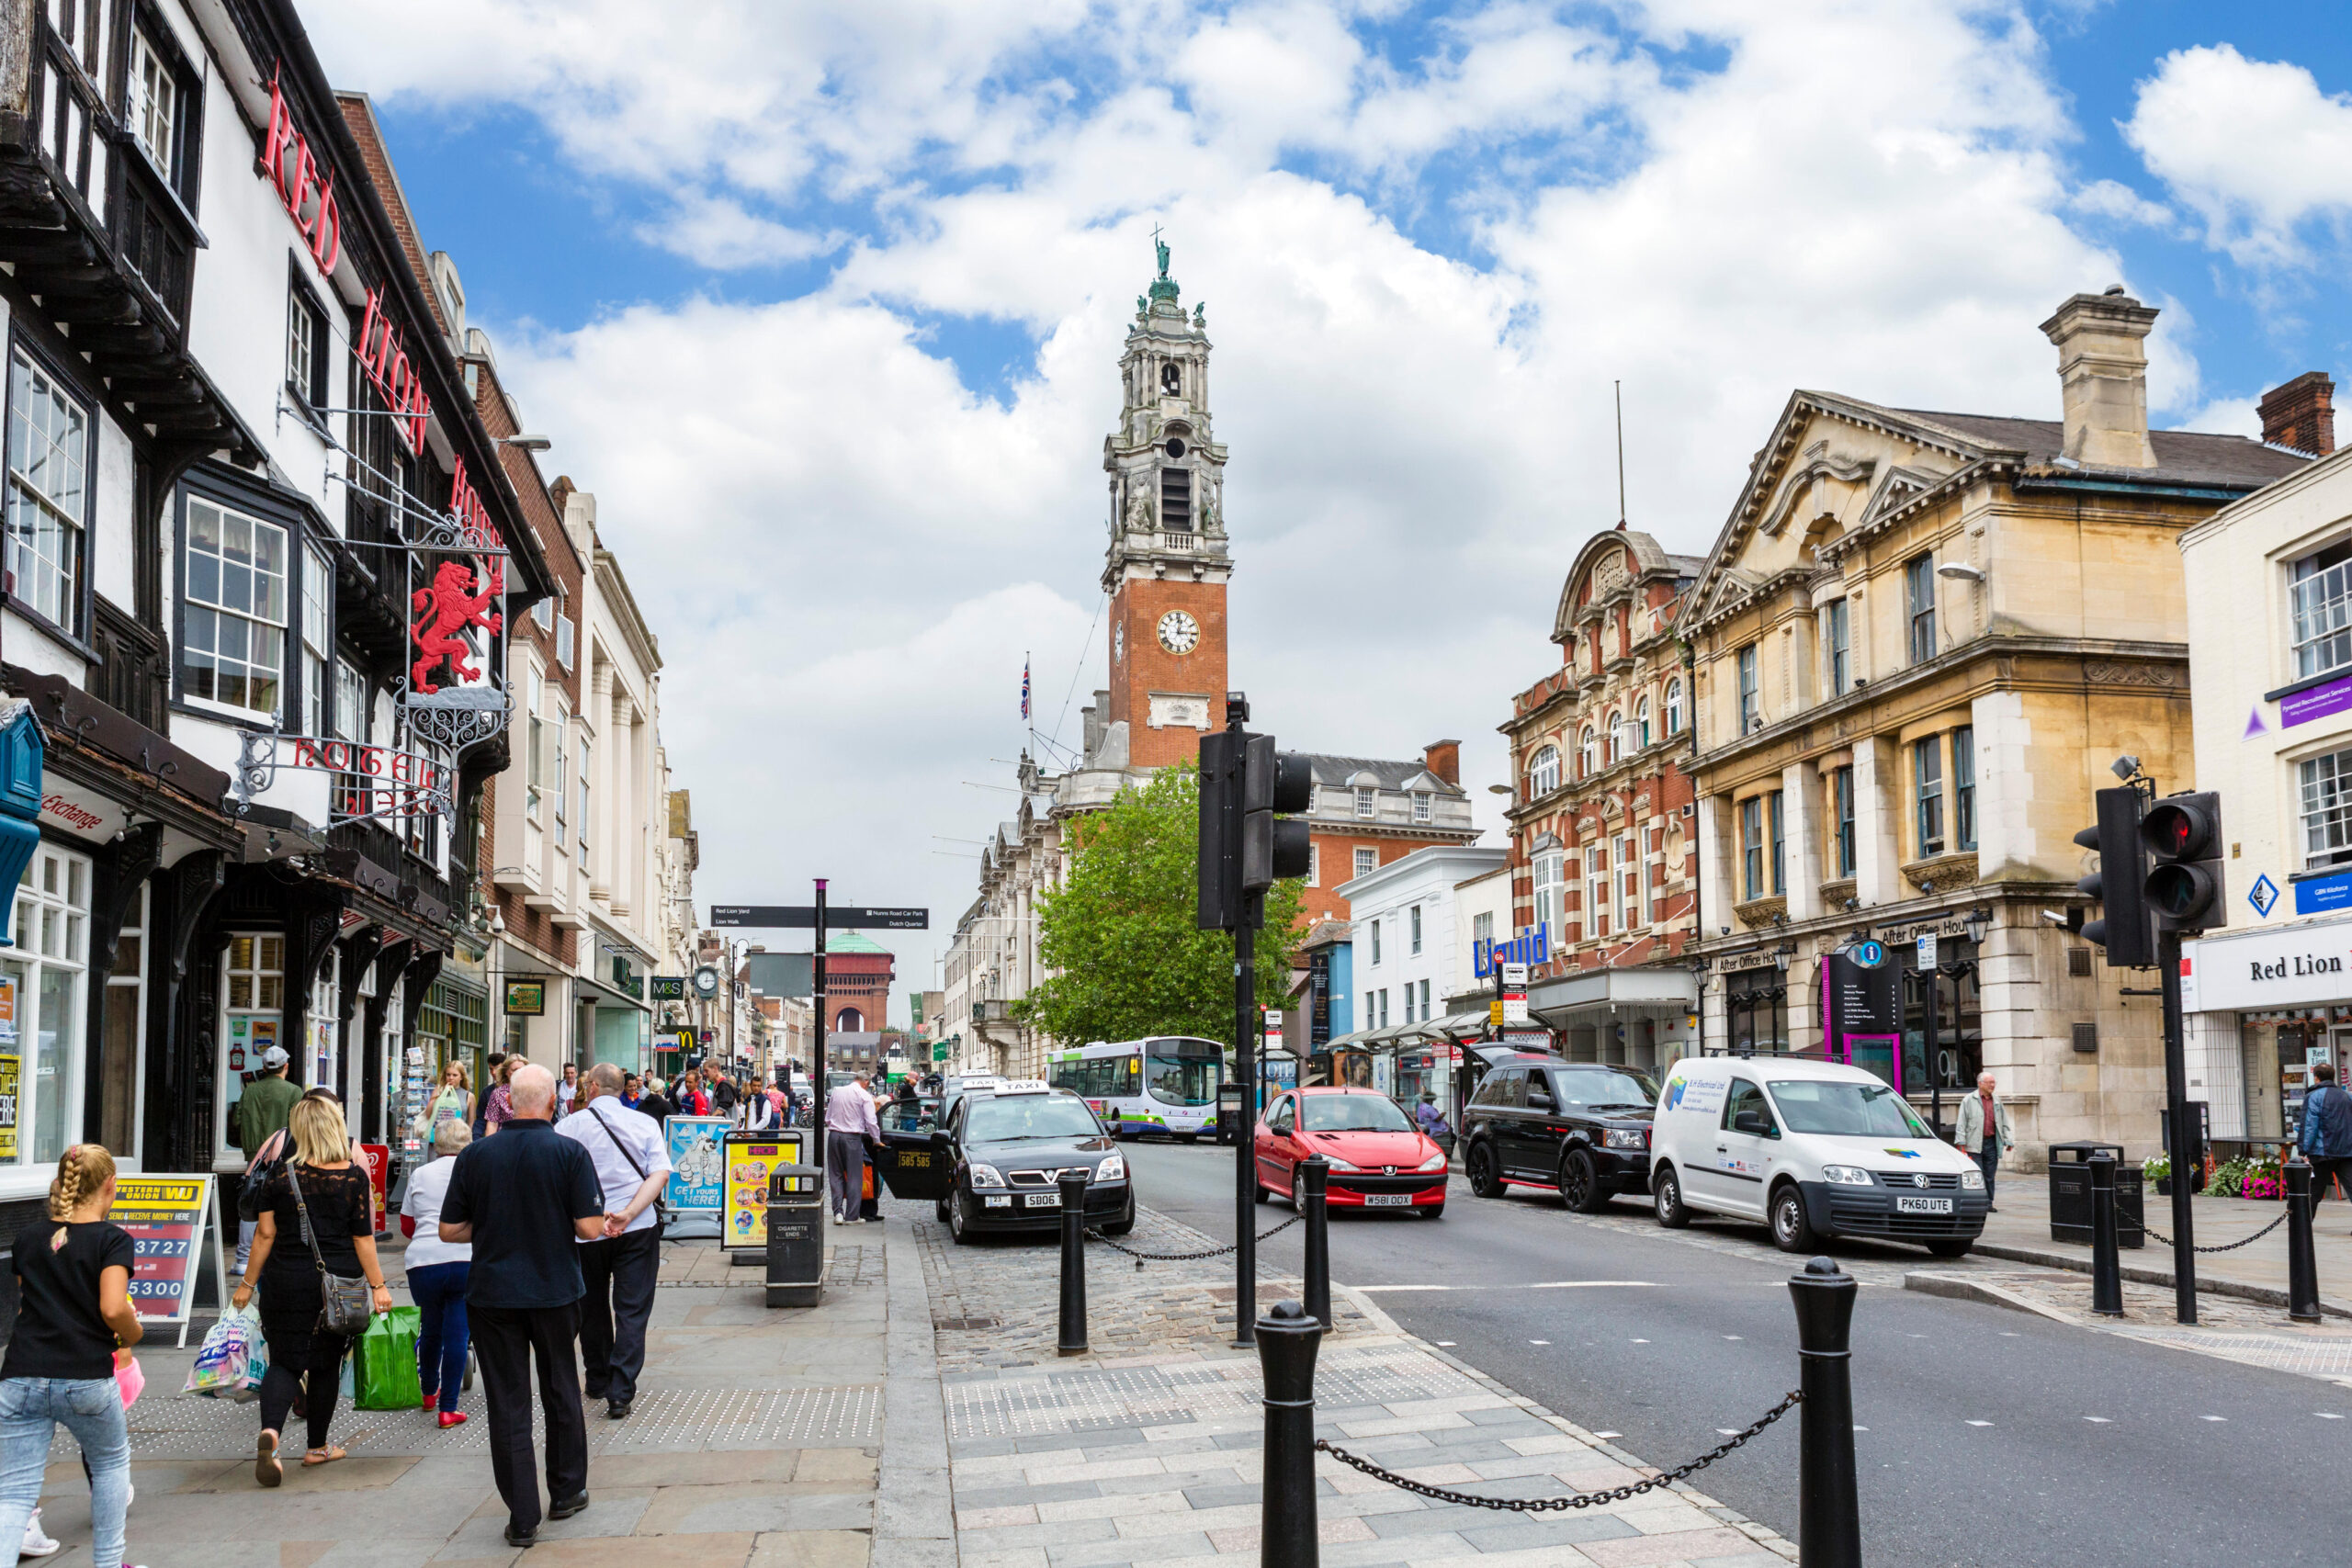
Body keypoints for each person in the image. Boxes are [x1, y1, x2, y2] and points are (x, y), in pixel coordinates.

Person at [440, 1065, 605, 1547]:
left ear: (507, 1103)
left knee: (507, 1402)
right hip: (555, 1290)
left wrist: (491, 1226)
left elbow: (449, 1230)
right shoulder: (569, 1152)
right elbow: (590, 1228)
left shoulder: (476, 1155)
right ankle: (567, 1491)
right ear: (554, 1102)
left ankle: (523, 1516)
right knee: (560, 1389)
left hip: (492, 1295)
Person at [232, 1096, 391, 1482]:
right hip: (337, 1286)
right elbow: (363, 1240)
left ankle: (271, 1432)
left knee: (285, 1362)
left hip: (284, 1282)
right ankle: (317, 1447)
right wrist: (379, 1287)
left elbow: (264, 1235)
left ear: (300, 1131)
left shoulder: (279, 1176)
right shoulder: (353, 1177)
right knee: (325, 1365)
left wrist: (246, 1285)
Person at [0, 1146, 139, 1568]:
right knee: (111, 1464)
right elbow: (114, 1308)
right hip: (85, 1378)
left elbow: (28, 1304)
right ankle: (109, 1564)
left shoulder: (26, 1238)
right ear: (111, 1187)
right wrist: (133, 1333)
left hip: (21, 1375)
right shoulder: (113, 1240)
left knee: (14, 1491)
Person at [557, 1065, 672, 1419]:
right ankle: (621, 1391)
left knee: (590, 1305)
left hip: (587, 1229)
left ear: (591, 1087)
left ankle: (597, 1377)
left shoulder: (568, 1127)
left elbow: (560, 1179)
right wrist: (630, 1213)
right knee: (632, 1309)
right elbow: (660, 1173)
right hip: (636, 1228)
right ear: (622, 1089)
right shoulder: (644, 1123)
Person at [400, 1119, 474, 1427]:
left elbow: (406, 1225)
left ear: (436, 1145)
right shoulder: (474, 1172)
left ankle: (429, 1392)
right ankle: (449, 1407)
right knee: (458, 1334)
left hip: (423, 1263)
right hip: (464, 1260)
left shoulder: (420, 1173)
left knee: (431, 1327)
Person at [824, 1071, 880, 1224]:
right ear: (866, 1082)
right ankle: (852, 1216)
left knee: (835, 1175)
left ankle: (838, 1213)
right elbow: (871, 1121)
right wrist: (876, 1139)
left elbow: (828, 1118)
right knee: (855, 1177)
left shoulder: (837, 1091)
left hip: (834, 1136)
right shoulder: (864, 1095)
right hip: (852, 1138)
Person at [2298, 1058, 2352, 1217]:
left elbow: (2310, 1126)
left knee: (2314, 1190)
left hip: (2322, 1152)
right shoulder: (2346, 1096)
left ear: (2316, 1077)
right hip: (2346, 1151)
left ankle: (2303, 1224)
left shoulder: (2314, 1097)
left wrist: (2303, 1150)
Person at [1953, 1071, 2014, 1211]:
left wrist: (2008, 1140)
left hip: (1991, 1143)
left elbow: (2004, 1122)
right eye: (1989, 1083)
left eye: (1993, 1082)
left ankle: (1988, 1203)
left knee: (1989, 1175)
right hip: (1973, 1144)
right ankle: (1977, 1202)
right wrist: (1961, 1143)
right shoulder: (1969, 1100)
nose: (1993, 1085)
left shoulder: (1997, 1101)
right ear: (1980, 1084)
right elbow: (1961, 1122)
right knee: (1977, 1175)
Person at [236, 1044, 302, 1162]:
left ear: (264, 1068)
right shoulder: (294, 1091)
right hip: (283, 1154)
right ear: (286, 1066)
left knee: (255, 1180)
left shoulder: (249, 1090)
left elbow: (237, 1121)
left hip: (254, 1155)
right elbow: (298, 1126)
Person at [419, 1061, 474, 1141]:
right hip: (438, 1139)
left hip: (458, 1140)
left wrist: (466, 1139)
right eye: (448, 1075)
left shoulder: (469, 1096)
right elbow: (428, 1114)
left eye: (455, 1075)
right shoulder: (439, 1090)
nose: (451, 1078)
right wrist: (439, 1094)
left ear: (461, 1077)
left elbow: (471, 1122)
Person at [473, 1054, 507, 1139]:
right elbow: (481, 1119)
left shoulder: (515, 1090)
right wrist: (476, 1138)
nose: (494, 1072)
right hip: (493, 1139)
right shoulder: (487, 1092)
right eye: (491, 1069)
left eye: (497, 1068)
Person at [482, 1056, 518, 1135]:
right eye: (514, 1070)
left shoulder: (533, 1092)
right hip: (504, 1140)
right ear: (506, 1072)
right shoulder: (498, 1093)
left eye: (522, 1070)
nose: (518, 1073)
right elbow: (492, 1123)